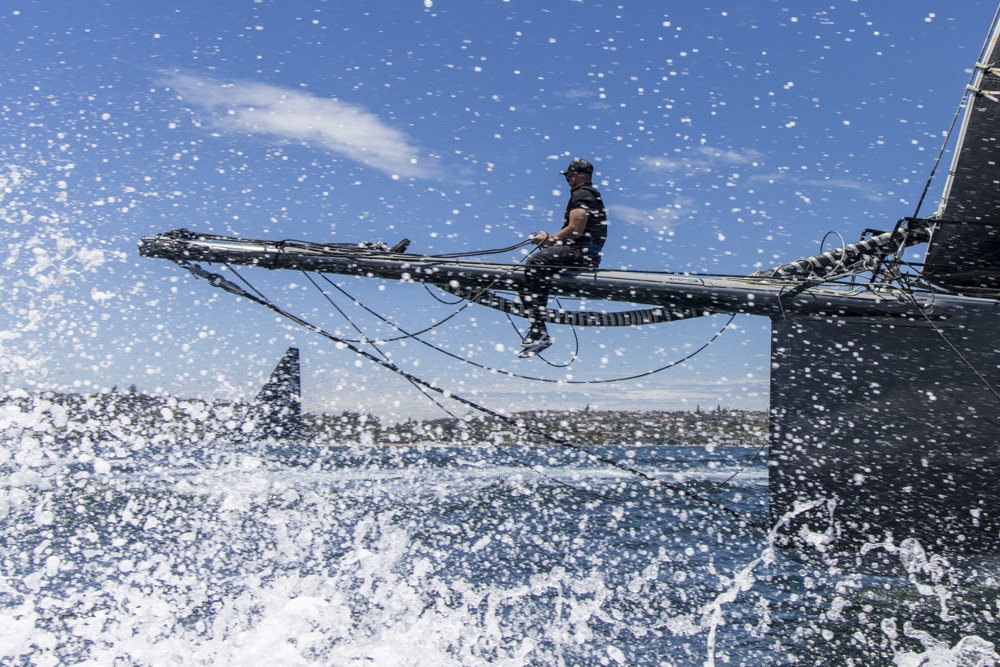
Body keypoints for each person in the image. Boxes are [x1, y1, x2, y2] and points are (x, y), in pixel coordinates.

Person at [518, 158, 608, 358]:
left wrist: (547, 239)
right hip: (581, 251)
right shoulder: (586, 194)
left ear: (575, 174)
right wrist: (548, 242)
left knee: (535, 262)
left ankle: (539, 330)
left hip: (583, 253)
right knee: (526, 278)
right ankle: (537, 327)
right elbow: (572, 234)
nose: (567, 180)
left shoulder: (582, 193)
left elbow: (575, 231)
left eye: (568, 176)